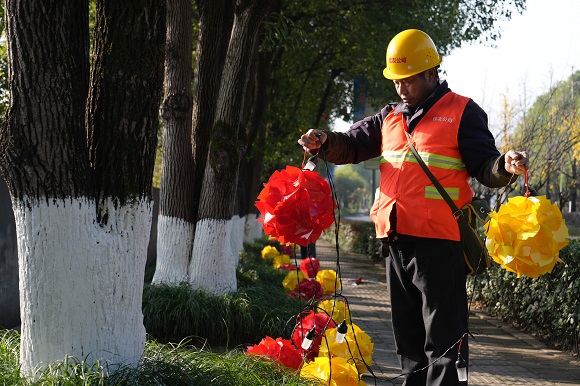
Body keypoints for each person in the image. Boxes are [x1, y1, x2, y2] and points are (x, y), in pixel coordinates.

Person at [298, 29, 529, 386]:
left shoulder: (462, 112)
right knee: (408, 342)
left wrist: (505, 165)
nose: (401, 88)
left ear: (430, 73)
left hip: (440, 245)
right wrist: (325, 142)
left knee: (444, 343)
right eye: (396, 81)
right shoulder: (389, 117)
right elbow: (352, 145)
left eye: (407, 80)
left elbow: (486, 167)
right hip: (396, 243)